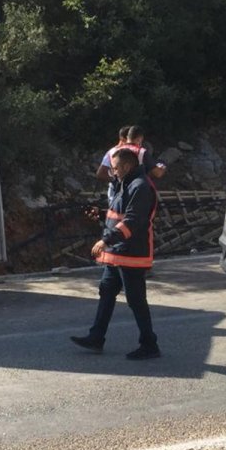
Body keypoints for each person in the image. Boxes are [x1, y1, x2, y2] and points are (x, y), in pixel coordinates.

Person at [71, 147, 161, 359]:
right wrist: (102, 215)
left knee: (135, 300)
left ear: (127, 166)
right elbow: (120, 214)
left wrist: (105, 240)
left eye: (115, 169)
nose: (112, 173)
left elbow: (133, 221)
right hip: (118, 252)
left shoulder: (139, 186)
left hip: (131, 253)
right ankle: (96, 337)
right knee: (107, 292)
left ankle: (149, 344)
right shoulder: (126, 182)